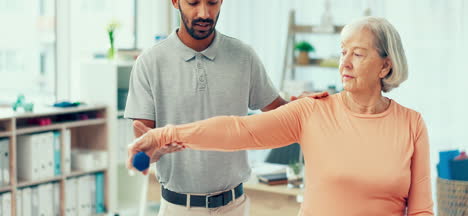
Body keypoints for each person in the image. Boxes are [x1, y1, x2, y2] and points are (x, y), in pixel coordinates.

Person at [128, 16, 434, 216]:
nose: (345, 63)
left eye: (358, 53)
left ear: (385, 67)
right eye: (342, 52)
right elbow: (238, 131)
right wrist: (163, 135)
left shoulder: (411, 124)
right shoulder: (313, 111)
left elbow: (421, 210)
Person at [124, 0, 326, 216]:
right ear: (175, 0)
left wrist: (304, 104)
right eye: (193, 2)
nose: (204, 13)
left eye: (212, 1)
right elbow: (143, 146)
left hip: (234, 205)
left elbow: (280, 116)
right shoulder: (150, 63)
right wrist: (156, 152)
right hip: (179, 207)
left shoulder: (244, 56)